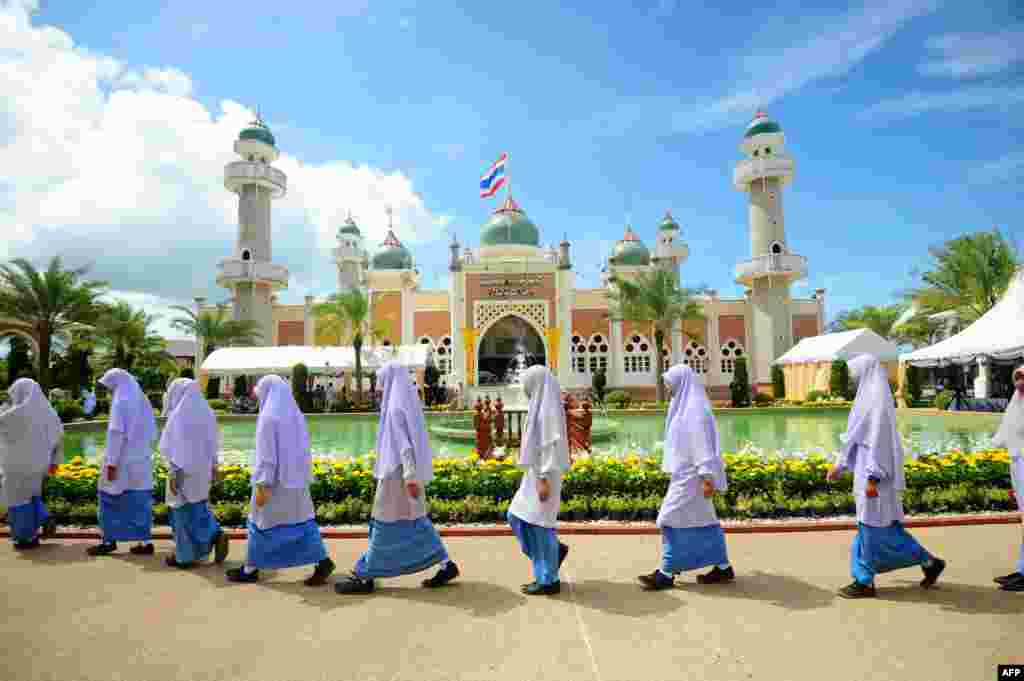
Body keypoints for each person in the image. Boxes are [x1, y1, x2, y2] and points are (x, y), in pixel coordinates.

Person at [827, 354, 946, 598]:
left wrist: (873, 478)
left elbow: (879, 446)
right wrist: (841, 466)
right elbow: (856, 440)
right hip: (867, 475)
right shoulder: (867, 400)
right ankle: (928, 562)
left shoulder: (878, 404)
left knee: (872, 532)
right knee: (876, 530)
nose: (853, 380)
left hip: (875, 479)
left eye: (855, 375)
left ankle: (865, 582)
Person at [335, 362, 459, 594]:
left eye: (381, 383)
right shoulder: (407, 402)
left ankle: (366, 575)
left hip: (396, 477)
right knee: (417, 521)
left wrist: (410, 477)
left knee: (382, 524)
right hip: (402, 475)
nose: (379, 388)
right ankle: (445, 564)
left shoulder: (394, 408)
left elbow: (404, 447)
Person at [226, 375, 335, 585]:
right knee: (302, 524)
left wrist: (263, 484)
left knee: (261, 523)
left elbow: (267, 457)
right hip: (297, 483)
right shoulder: (295, 415)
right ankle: (322, 561)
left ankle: (250, 569)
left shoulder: (268, 418)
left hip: (274, 484)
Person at [638, 364, 734, 590]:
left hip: (693, 478)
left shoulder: (694, 410)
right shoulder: (684, 405)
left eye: (670, 385)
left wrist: (707, 477)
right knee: (705, 520)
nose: (668, 389)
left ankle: (667, 572)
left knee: (668, 518)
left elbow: (702, 446)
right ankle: (722, 567)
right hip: (687, 475)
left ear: (681, 383)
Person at [507, 366, 571, 596]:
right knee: (517, 516)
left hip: (545, 476)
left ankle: (548, 580)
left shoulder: (547, 412)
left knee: (540, 526)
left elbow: (548, 446)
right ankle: (553, 554)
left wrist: (543, 478)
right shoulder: (540, 406)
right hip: (536, 475)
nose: (524, 387)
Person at [159, 378, 229, 569]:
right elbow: (214, 443)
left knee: (180, 512)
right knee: (197, 508)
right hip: (202, 471)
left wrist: (174, 473)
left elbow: (173, 447)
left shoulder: (178, 416)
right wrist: (214, 468)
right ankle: (213, 533)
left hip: (182, 471)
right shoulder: (207, 412)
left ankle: (185, 556)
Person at [87, 369, 158, 557]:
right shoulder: (142, 399)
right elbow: (152, 431)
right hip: (141, 460)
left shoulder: (120, 401)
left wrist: (111, 463)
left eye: (110, 387)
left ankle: (108, 540)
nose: (110, 392)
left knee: (109, 499)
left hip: (121, 461)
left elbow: (116, 434)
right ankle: (145, 542)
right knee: (140, 501)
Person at [0, 378, 62, 550]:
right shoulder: (49, 413)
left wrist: (4, 408)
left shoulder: (14, 414)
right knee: (31, 496)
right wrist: (55, 463)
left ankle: (25, 538)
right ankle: (40, 523)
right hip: (39, 467)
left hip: (16, 466)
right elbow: (58, 439)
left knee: (17, 500)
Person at [992, 364, 1024, 591]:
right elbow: (1008, 429)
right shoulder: (1017, 400)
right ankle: (1023, 570)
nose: (1020, 380)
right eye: (1017, 376)